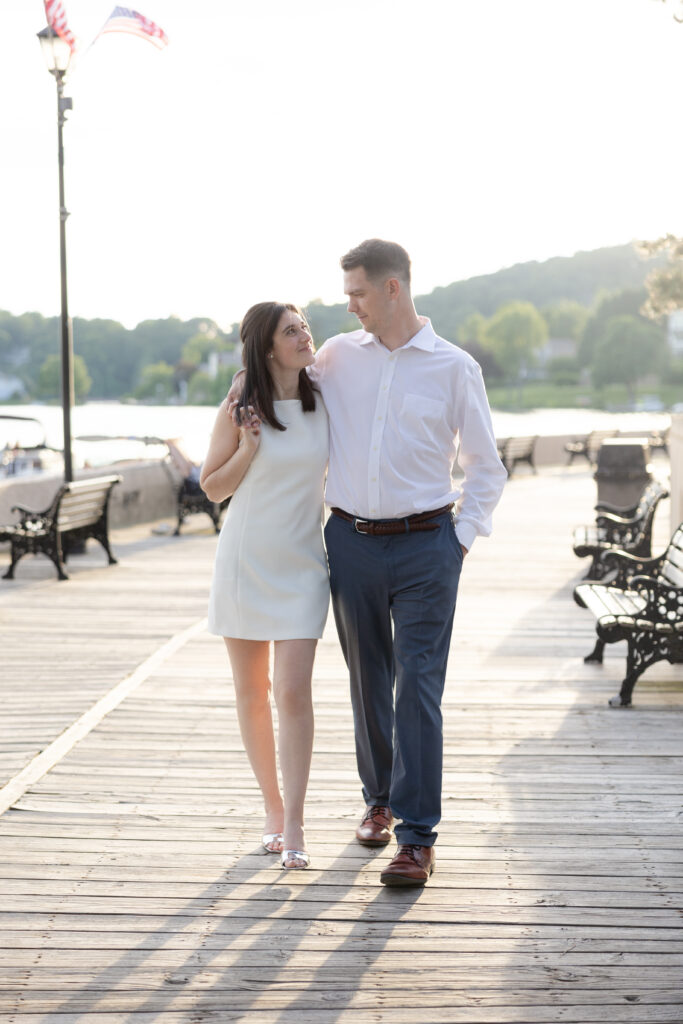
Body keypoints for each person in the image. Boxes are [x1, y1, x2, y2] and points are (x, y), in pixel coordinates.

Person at [229, 240, 506, 886]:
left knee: (416, 683)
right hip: (349, 541)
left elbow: (484, 468)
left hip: (426, 544)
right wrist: (242, 387)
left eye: (355, 292)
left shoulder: (453, 366)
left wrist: (457, 541)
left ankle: (415, 836)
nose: (346, 303)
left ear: (391, 289)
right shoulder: (334, 356)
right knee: (366, 678)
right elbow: (282, 389)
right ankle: (378, 799)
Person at [201, 301, 329, 870]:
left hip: (305, 566)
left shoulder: (325, 397)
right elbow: (211, 487)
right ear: (268, 346)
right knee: (252, 695)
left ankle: (297, 820)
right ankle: (273, 812)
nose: (305, 336)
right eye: (291, 330)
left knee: (293, 693)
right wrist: (249, 447)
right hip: (244, 564)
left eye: (304, 327)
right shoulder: (239, 406)